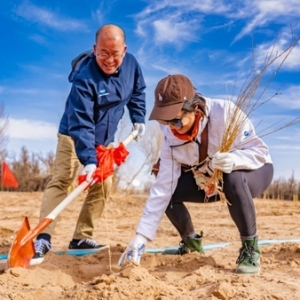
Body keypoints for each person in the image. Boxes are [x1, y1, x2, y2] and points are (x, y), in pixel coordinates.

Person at [118, 74, 273, 275]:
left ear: (195, 107)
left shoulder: (225, 112)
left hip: (253, 171)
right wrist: (141, 237)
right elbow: (164, 187)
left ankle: (250, 249)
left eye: (176, 120)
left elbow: (259, 152)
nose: (172, 127)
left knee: (232, 177)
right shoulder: (170, 138)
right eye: (166, 122)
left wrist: (235, 160)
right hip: (208, 179)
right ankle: (191, 243)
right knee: (169, 192)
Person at [34, 24, 146, 258]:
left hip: (104, 140)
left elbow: (137, 92)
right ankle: (42, 238)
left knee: (103, 184)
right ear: (95, 49)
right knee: (63, 179)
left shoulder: (132, 65)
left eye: (115, 53)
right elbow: (82, 123)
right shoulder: (84, 79)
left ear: (124, 50)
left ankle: (81, 237)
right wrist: (89, 160)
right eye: (103, 53)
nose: (109, 59)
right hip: (74, 133)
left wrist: (138, 118)